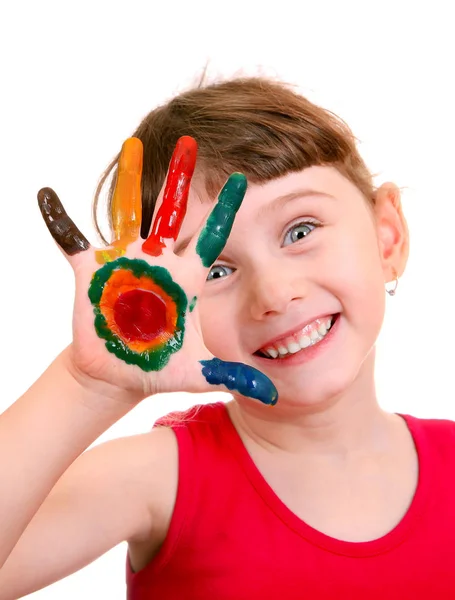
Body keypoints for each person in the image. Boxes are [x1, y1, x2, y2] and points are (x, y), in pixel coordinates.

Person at [1, 76, 454, 600]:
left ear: (387, 235)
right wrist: (86, 386)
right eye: (216, 270)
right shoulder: (161, 478)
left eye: (300, 231)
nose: (275, 294)